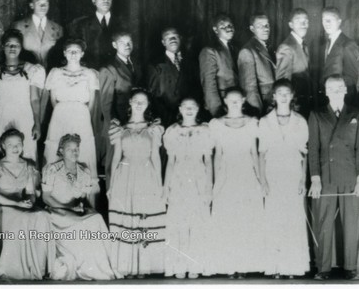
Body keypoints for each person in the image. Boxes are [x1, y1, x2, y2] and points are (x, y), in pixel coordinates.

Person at [308, 75, 359, 281]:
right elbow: (313, 149)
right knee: (324, 222)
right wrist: (315, 178)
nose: (335, 91)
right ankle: (322, 268)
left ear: (345, 90)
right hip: (326, 176)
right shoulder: (316, 115)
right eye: (331, 88)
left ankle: (350, 267)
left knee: (351, 222)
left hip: (350, 175)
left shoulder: (356, 114)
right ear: (325, 91)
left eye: (339, 87)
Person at [42, 134, 120, 280]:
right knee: (84, 223)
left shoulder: (84, 171)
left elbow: (84, 198)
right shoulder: (52, 169)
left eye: (76, 149)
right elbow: (46, 197)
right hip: (57, 214)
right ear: (61, 151)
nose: (74, 152)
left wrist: (88, 209)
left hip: (75, 213)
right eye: (70, 149)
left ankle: (99, 268)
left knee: (96, 218)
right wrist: (67, 208)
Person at [108, 89, 166, 277]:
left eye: (143, 101)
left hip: (146, 174)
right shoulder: (120, 129)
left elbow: (156, 157)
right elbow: (116, 157)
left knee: (144, 216)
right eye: (136, 101)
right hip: (125, 175)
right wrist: (111, 183)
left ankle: (142, 267)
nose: (139, 104)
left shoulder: (153, 129)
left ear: (148, 104)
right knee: (127, 217)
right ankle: (127, 267)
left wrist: (160, 183)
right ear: (130, 103)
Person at [209, 87, 265, 277]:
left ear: (243, 101)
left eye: (237, 100)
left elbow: (254, 153)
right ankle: (229, 266)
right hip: (226, 176)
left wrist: (260, 179)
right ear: (224, 101)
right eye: (230, 100)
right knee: (228, 221)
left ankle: (244, 266)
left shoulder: (252, 123)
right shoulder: (216, 124)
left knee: (245, 221)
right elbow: (217, 154)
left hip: (246, 176)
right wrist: (216, 183)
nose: (234, 103)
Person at [0, 129, 54, 280]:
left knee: (43, 216)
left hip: (21, 205)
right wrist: (17, 203)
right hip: (3, 207)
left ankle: (39, 268)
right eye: (11, 144)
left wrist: (30, 202)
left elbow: (30, 191)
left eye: (19, 144)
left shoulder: (28, 165)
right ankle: (15, 270)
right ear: (3, 146)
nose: (15, 148)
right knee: (23, 219)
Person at [258, 79, 310, 278]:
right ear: (274, 97)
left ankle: (292, 267)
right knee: (274, 219)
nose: (283, 96)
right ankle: (276, 267)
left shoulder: (300, 121)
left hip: (293, 174)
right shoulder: (265, 121)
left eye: (287, 93)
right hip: (273, 174)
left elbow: (304, 154)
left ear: (291, 96)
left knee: (292, 219)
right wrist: (263, 181)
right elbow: (261, 153)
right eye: (279, 93)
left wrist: (302, 180)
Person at [162, 98, 214, 279]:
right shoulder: (172, 131)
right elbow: (170, 161)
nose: (189, 110)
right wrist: (166, 187)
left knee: (197, 221)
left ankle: (195, 265)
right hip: (179, 180)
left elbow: (208, 161)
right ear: (180, 109)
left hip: (199, 179)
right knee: (178, 221)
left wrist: (209, 187)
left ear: (198, 109)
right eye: (186, 107)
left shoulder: (205, 131)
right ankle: (178, 265)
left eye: (193, 106)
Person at [44, 39, 100, 207]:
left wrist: (79, 113)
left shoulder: (90, 74)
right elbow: (53, 100)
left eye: (77, 51)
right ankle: (55, 203)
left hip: (81, 116)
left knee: (82, 152)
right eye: (70, 51)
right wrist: (64, 110)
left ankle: (87, 205)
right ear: (64, 53)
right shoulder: (55, 73)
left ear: (82, 54)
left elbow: (92, 103)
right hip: (60, 115)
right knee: (57, 151)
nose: (73, 54)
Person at [0, 29, 45, 161]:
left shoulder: (32, 70)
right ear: (3, 47)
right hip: (0, 118)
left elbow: (35, 99)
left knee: (25, 154)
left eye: (16, 45)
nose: (12, 48)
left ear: (21, 48)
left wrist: (37, 123)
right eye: (9, 44)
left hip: (25, 118)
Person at [98, 31, 142, 185]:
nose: (127, 45)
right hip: (117, 124)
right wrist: (113, 125)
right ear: (114, 45)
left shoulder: (136, 64)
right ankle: (112, 200)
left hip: (135, 123)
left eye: (130, 42)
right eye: (123, 42)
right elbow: (106, 103)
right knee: (114, 164)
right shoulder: (109, 69)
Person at [147, 27, 197, 128]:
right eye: (168, 37)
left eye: (175, 36)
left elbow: (197, 89)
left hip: (190, 117)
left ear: (181, 38)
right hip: (166, 119)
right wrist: (166, 117)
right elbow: (153, 95)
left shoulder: (192, 62)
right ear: (163, 42)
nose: (172, 39)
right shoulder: (155, 65)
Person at [67, 0, 123, 69]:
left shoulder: (121, 24)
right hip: (89, 71)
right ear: (94, 1)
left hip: (115, 72)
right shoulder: (81, 24)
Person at [199, 13, 239, 115]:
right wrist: (216, 111)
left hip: (237, 104)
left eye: (230, 25)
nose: (228, 28)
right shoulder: (209, 51)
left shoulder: (236, 49)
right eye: (223, 27)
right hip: (222, 105)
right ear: (215, 30)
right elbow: (208, 84)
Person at [11, 0, 64, 69]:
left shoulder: (58, 28)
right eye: (39, 2)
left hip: (50, 73)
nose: (43, 6)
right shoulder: (19, 26)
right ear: (31, 5)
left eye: (46, 3)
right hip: (27, 72)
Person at [275, 8, 313, 111]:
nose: (303, 24)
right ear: (291, 25)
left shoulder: (303, 45)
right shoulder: (286, 47)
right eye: (298, 21)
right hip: (294, 106)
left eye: (306, 21)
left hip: (305, 103)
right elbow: (282, 83)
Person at [238, 13, 276, 114]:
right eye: (260, 26)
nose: (265, 29)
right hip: (263, 108)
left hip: (273, 106)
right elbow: (250, 89)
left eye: (267, 25)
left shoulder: (269, 48)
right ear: (252, 29)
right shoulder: (247, 51)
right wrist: (257, 114)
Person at [318, 6, 359, 99]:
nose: (327, 23)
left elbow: (352, 79)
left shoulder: (348, 44)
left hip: (340, 99)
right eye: (324, 20)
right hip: (326, 99)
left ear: (339, 22)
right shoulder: (325, 44)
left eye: (331, 20)